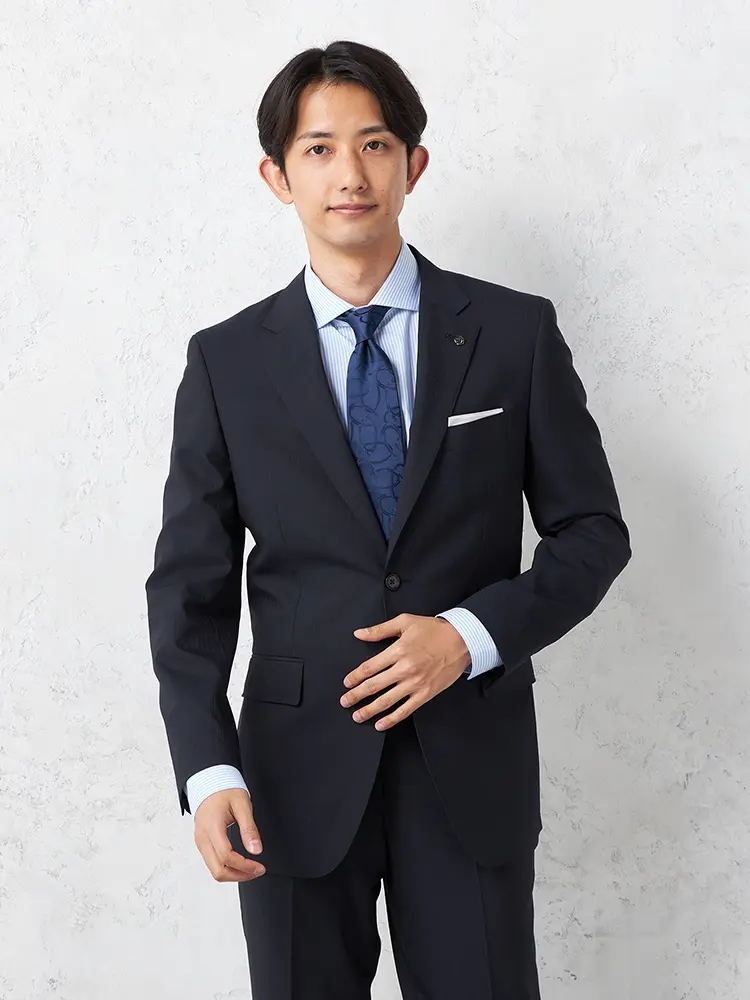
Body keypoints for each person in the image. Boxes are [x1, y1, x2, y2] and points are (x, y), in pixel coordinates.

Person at [145, 38, 631, 1000]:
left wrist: (469, 636)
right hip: (289, 778)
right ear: (277, 177)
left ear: (414, 163)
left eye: (374, 144)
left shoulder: (514, 332)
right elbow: (189, 589)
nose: (350, 175)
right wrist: (206, 770)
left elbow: (593, 534)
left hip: (472, 766)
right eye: (319, 149)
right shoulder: (227, 362)